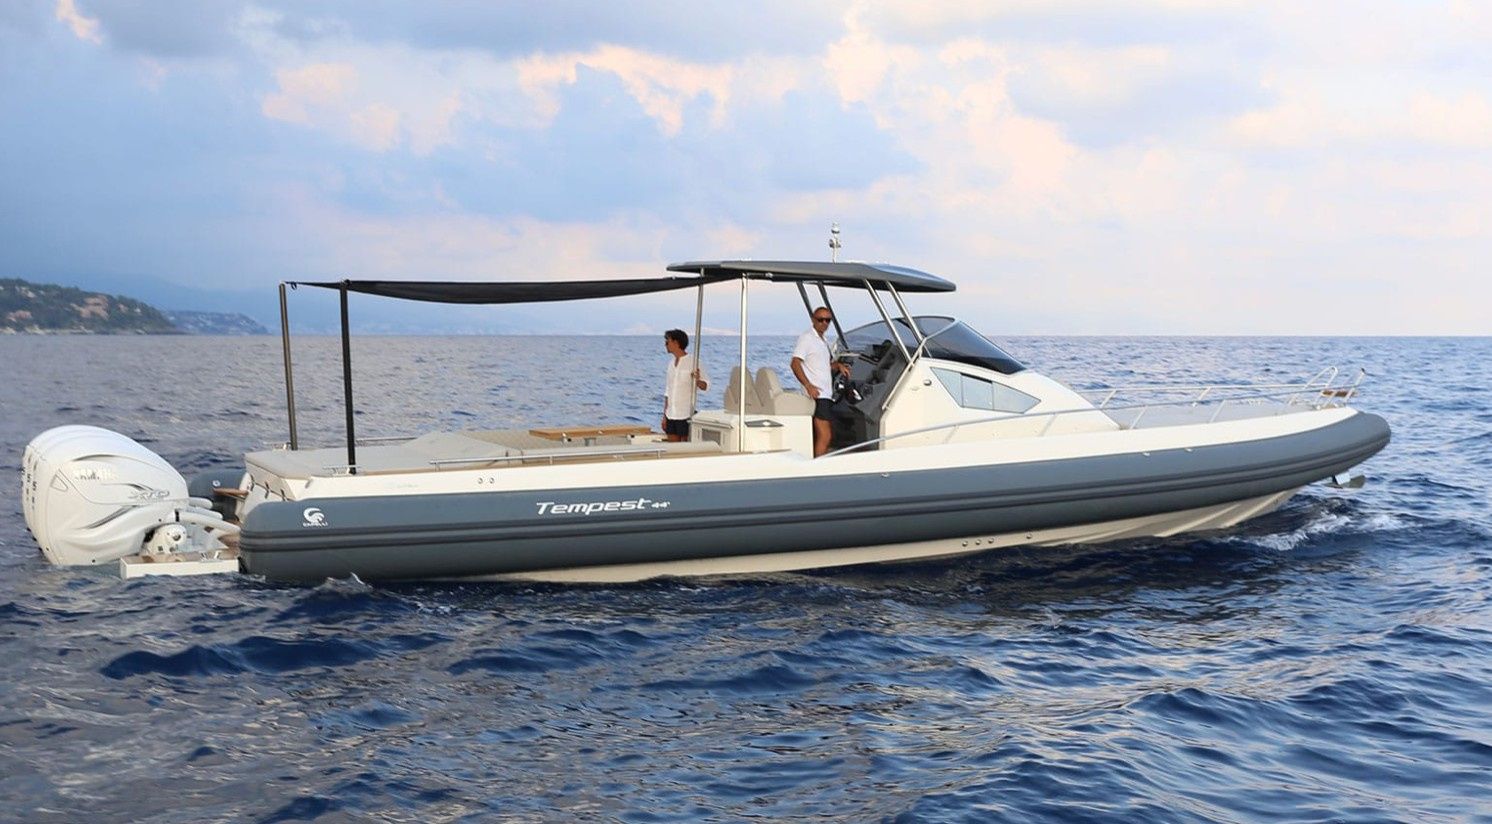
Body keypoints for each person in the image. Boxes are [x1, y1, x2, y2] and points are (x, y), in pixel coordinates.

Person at [790, 307, 850, 457]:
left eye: (827, 320)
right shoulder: (807, 338)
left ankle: (817, 462)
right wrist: (808, 385)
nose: (824, 323)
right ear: (813, 320)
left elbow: (822, 364)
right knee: (825, 435)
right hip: (817, 394)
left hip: (825, 394)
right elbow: (795, 363)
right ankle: (817, 466)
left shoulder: (822, 340)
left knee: (823, 434)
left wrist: (838, 366)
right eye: (820, 320)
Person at [662, 328, 709, 442]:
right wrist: (664, 416)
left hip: (685, 414)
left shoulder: (694, 362)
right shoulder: (671, 364)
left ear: (676, 343)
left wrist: (697, 380)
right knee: (672, 447)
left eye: (667, 342)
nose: (665, 345)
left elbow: (705, 386)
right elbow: (668, 391)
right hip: (670, 414)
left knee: (684, 446)